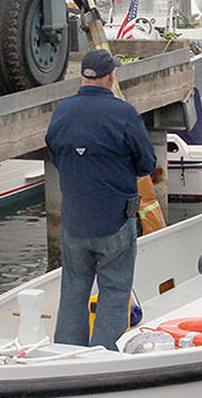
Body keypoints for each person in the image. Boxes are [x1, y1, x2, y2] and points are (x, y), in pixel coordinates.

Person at [45, 48, 157, 348]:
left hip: (74, 223)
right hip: (115, 220)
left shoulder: (62, 111)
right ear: (111, 76)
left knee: (72, 292)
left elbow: (55, 152)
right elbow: (147, 163)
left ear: (83, 77)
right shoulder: (124, 113)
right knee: (115, 292)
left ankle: (67, 353)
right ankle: (105, 358)